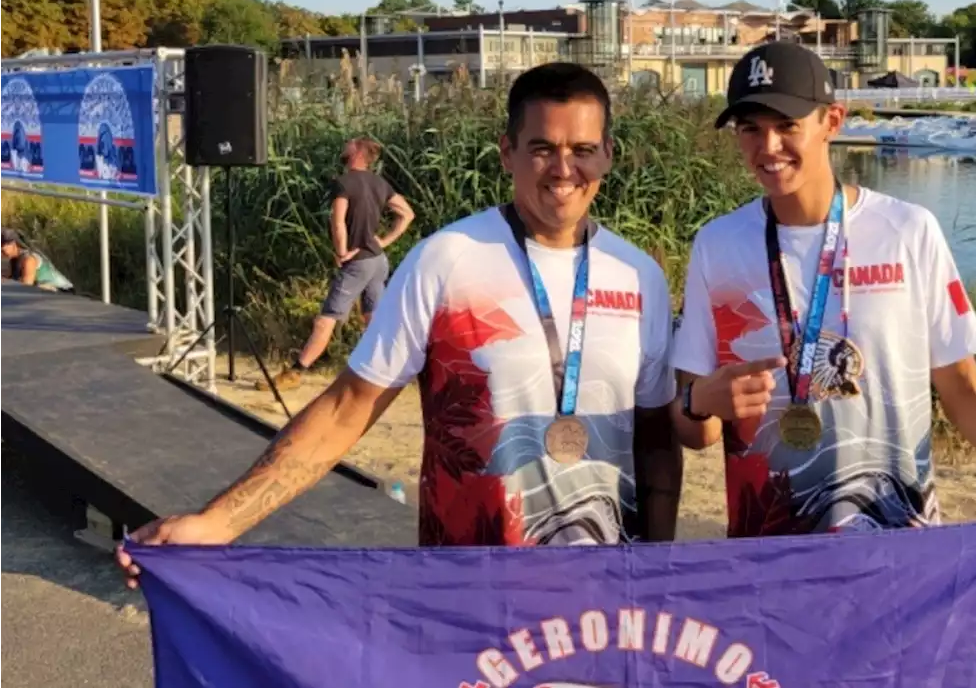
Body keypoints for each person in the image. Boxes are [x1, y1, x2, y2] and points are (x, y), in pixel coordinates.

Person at [116, 62, 681, 587]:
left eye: (583, 149)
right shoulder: (448, 259)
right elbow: (347, 408)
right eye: (542, 149)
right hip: (468, 588)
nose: (564, 169)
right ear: (507, 152)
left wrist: (657, 573)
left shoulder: (639, 276)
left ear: (608, 153)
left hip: (603, 595)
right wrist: (218, 522)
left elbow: (655, 442)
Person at [669, 42, 976, 538]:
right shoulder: (717, 245)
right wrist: (699, 401)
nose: (768, 148)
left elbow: (966, 394)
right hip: (769, 555)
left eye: (787, 126)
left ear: (832, 121)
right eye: (750, 130)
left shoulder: (908, 231)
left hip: (900, 546)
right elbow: (693, 431)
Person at [257, 137, 415, 392]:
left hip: (358, 263)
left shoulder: (344, 183)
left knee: (326, 320)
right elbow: (407, 214)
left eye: (349, 145)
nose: (345, 146)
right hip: (377, 261)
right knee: (373, 319)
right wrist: (383, 242)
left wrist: (341, 252)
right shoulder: (380, 183)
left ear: (357, 152)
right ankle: (385, 374)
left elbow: (338, 221)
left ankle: (295, 373)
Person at [0, 228, 74, 292]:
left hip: (62, 291)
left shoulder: (29, 260)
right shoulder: (14, 260)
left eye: (2, 250)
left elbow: (25, 287)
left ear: (13, 244)